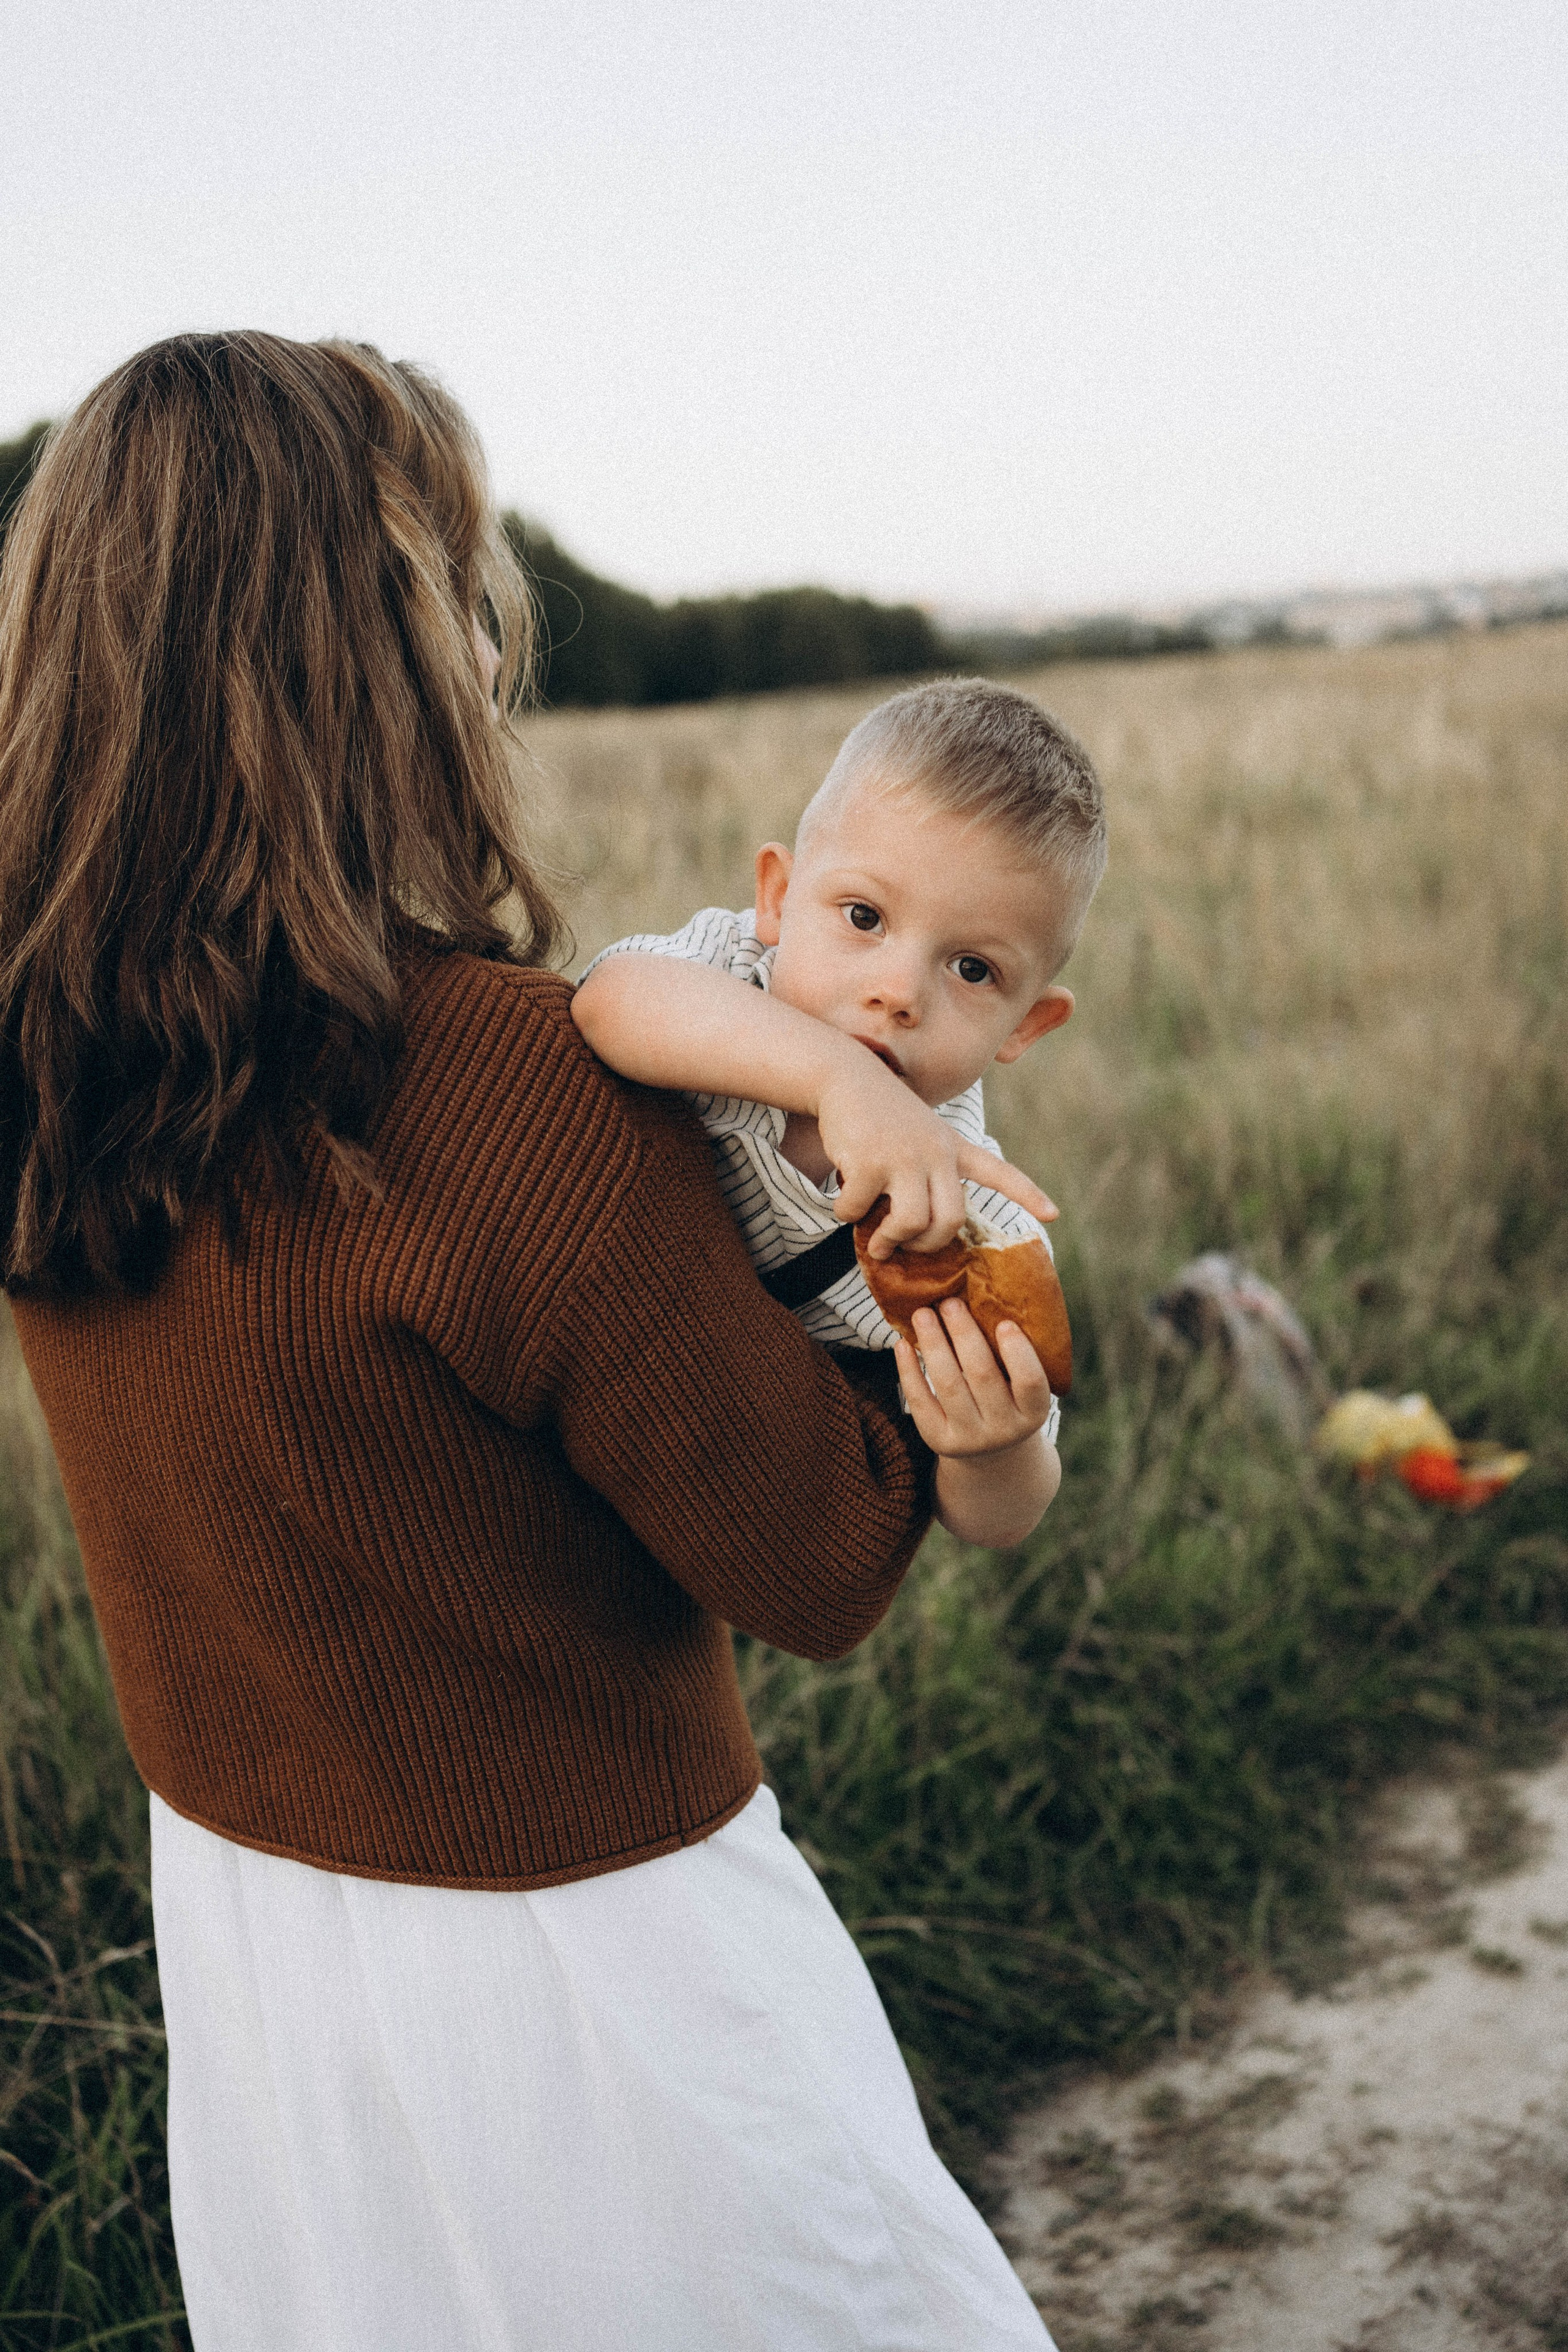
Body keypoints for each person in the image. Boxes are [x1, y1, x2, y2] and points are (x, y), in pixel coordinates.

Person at [0, 333, 1057, 2348]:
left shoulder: (44, 1081)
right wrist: (882, 1287)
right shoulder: (503, 1096)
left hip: (252, 1952)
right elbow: (822, 1565)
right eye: (458, 591)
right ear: (381, 654)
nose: (492, 653)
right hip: (601, 1977)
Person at [572, 677, 1106, 1552]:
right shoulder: (728, 969)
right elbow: (608, 1002)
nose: (897, 991)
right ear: (779, 899)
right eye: (864, 917)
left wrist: (995, 1452)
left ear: (1029, 1024)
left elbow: (997, 1523)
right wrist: (836, 1080)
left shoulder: (973, 1229)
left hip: (674, 1498)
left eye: (972, 971)